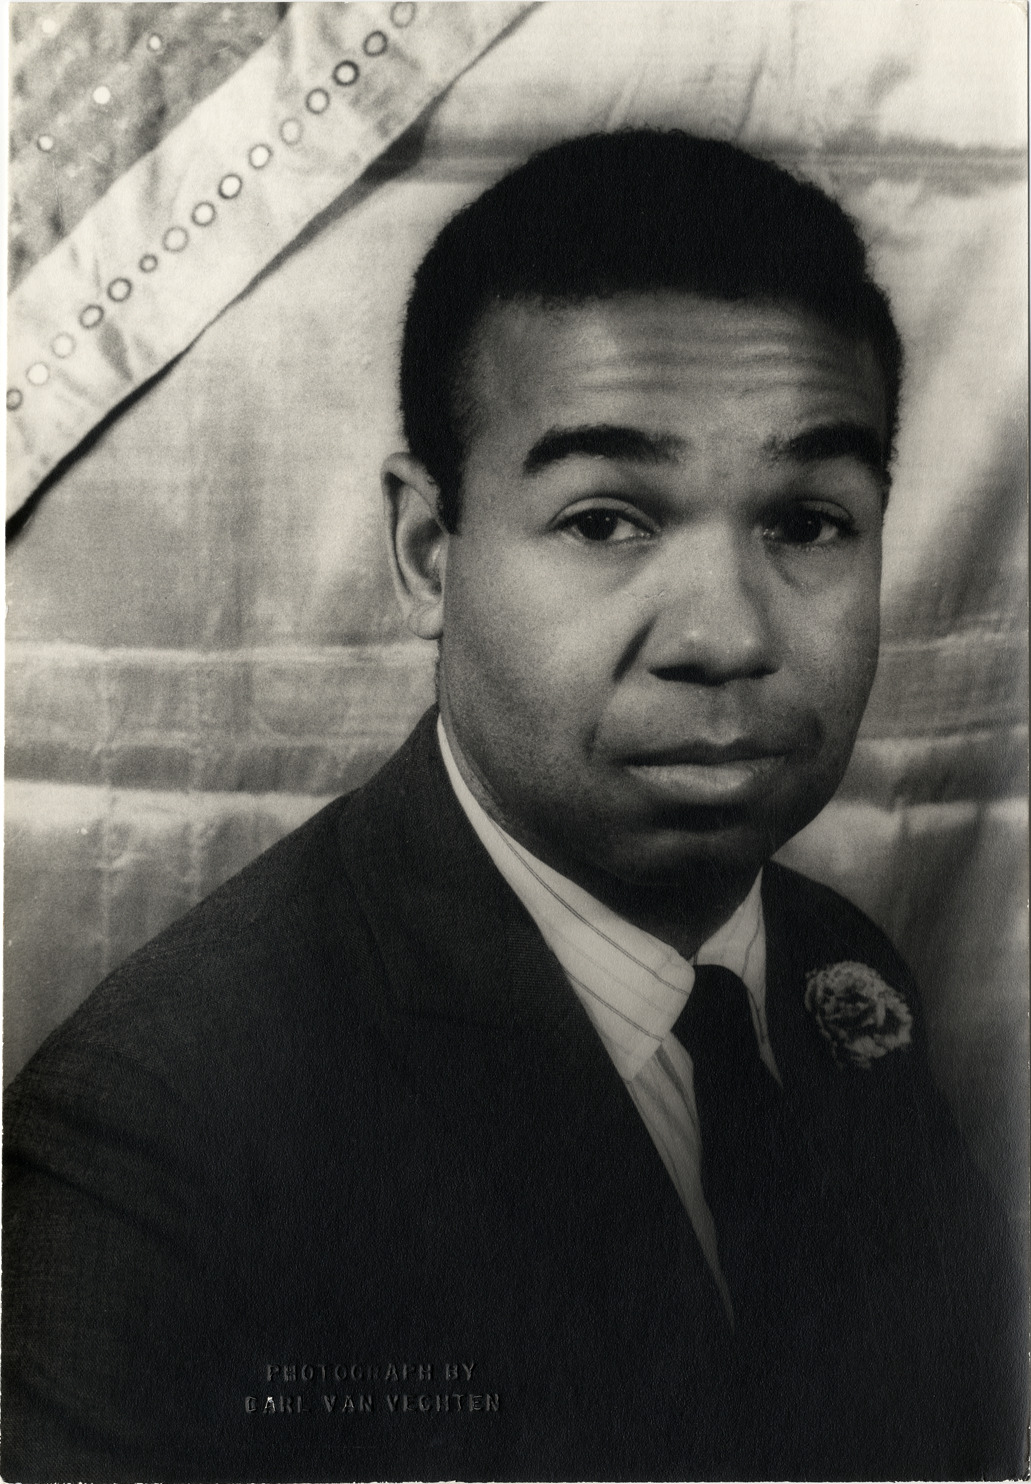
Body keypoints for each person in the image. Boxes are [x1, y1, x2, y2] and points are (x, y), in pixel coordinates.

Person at [2, 129, 1025, 1483]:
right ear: (428, 553)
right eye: (606, 520)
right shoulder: (158, 1136)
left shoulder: (841, 978)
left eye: (809, 522)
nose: (727, 636)